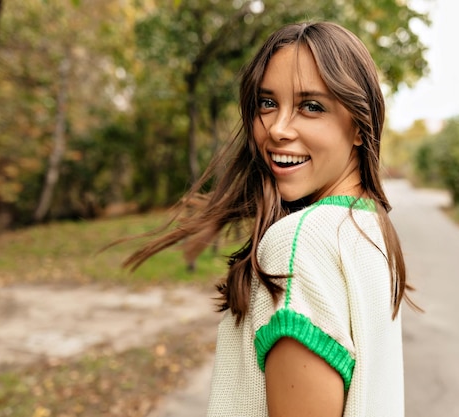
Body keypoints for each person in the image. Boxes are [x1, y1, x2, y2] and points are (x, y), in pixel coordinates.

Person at [125, 21, 416, 417]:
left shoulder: (298, 244)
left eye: (311, 106)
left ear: (359, 128)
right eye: (267, 103)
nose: (277, 129)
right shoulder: (369, 226)